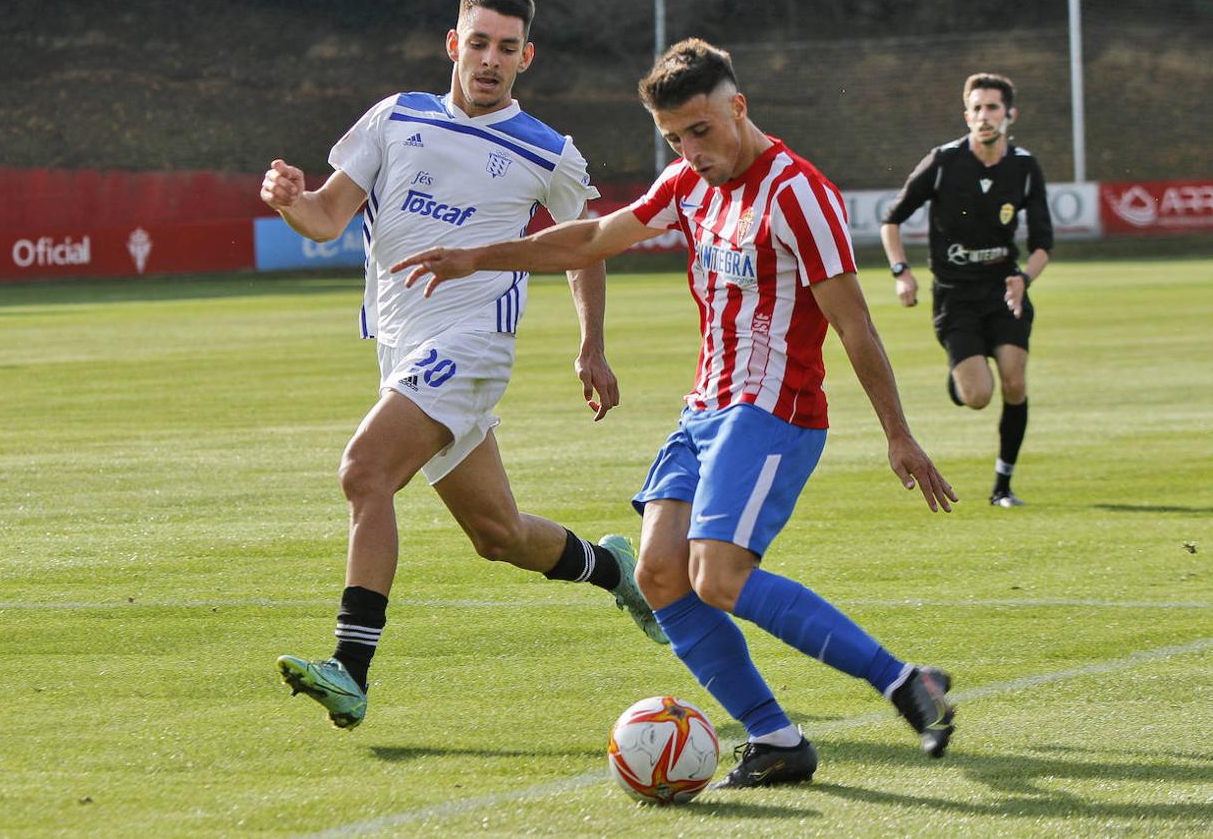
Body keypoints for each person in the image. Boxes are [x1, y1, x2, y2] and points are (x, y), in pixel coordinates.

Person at [393, 38, 960, 788]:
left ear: (738, 107)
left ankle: (902, 682)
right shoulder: (684, 184)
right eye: (674, 138)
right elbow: (596, 236)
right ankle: (778, 740)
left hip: (773, 410)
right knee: (661, 575)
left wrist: (898, 434)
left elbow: (854, 323)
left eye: (702, 130)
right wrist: (477, 256)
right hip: (703, 410)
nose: (692, 150)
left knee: (718, 576)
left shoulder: (798, 193)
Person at [260, 0, 668, 732]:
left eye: (505, 49)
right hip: (403, 352)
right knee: (499, 535)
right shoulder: (395, 118)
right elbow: (324, 218)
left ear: (526, 58)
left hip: (472, 348)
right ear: (454, 44)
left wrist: (592, 344)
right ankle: (618, 571)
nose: (489, 59)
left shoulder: (548, 150)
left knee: (364, 471)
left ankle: (350, 670)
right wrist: (289, 197)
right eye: (477, 43)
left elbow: (588, 245)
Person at [880, 73, 1053, 507]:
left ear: (1010, 115)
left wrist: (1024, 278)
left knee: (1014, 382)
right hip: (955, 296)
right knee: (978, 397)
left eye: (992, 107)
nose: (984, 116)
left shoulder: (1025, 167)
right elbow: (892, 219)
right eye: (976, 108)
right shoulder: (943, 162)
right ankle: (962, 377)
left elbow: (1043, 245)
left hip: (1005, 292)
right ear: (967, 115)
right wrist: (901, 270)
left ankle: (1003, 485)